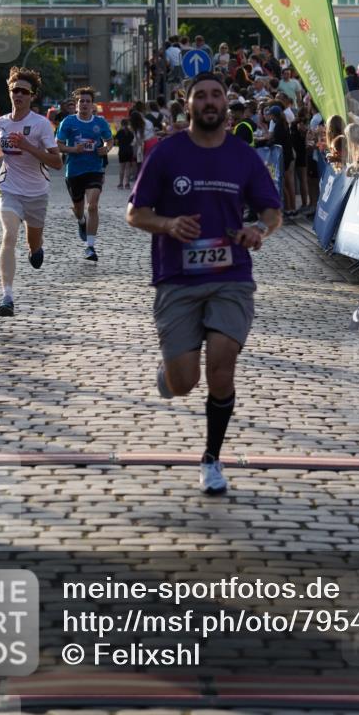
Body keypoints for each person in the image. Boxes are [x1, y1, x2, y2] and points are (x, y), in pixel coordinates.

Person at [126, 73, 282, 495]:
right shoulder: (167, 153)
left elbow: (272, 212)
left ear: (226, 104)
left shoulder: (243, 156)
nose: (210, 102)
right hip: (177, 278)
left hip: (231, 276)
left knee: (221, 365)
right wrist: (168, 223)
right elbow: (135, 213)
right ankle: (170, 374)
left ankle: (212, 459)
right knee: (184, 383)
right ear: (187, 103)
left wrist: (258, 232)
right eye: (201, 96)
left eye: (217, 94)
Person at [0, 67, 63, 317]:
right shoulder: (1, 122)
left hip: (36, 193)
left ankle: (36, 249)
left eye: (24, 91)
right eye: (14, 90)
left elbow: (56, 162)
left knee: (33, 242)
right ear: (9, 93)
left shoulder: (41, 124)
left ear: (32, 96)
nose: (18, 94)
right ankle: (7, 297)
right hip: (8, 187)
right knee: (9, 235)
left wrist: (29, 147)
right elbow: (2, 148)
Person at [56, 86, 113, 261]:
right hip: (74, 171)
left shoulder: (100, 123)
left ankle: (90, 247)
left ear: (92, 105)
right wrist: (73, 149)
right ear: (77, 104)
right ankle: (81, 221)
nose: (85, 104)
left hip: (94, 169)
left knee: (93, 206)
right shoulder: (68, 122)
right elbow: (58, 144)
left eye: (88, 101)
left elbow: (109, 141)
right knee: (79, 210)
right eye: (82, 101)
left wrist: (106, 148)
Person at [115, 118, 135, 189]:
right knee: (128, 168)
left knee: (122, 168)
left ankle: (120, 183)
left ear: (121, 124)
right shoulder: (130, 132)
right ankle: (127, 184)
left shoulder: (119, 132)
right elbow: (133, 141)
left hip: (122, 151)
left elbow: (116, 142)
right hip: (129, 151)